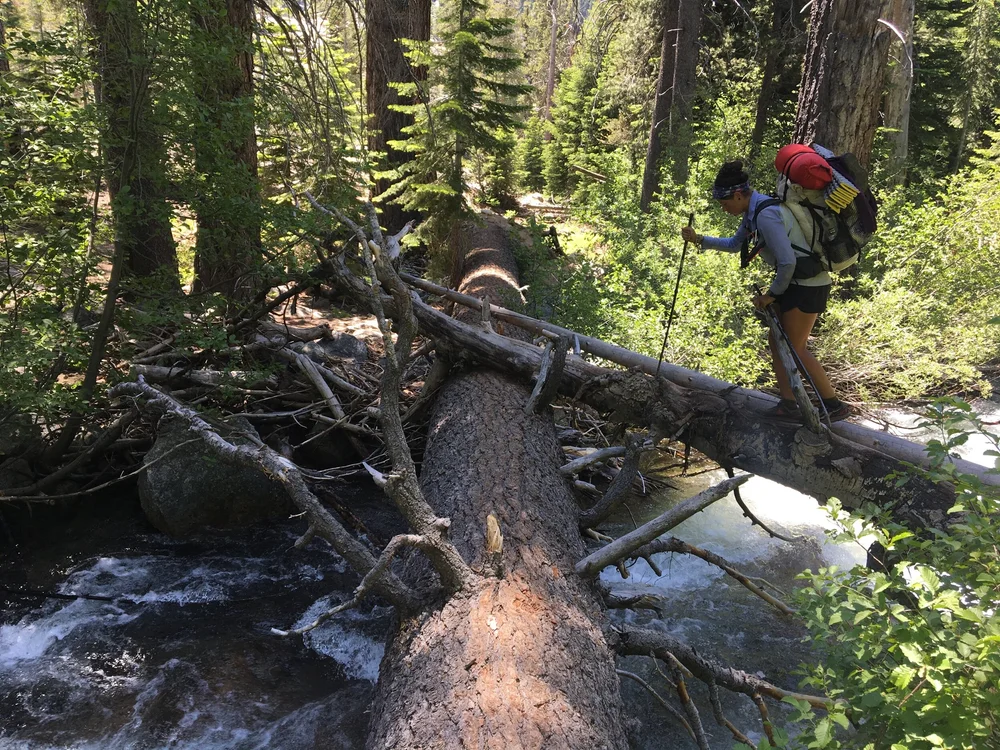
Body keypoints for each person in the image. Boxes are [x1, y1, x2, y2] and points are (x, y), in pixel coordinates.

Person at [681, 159, 849, 422]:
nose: (724, 209)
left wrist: (771, 294)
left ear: (738, 195)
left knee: (796, 347)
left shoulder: (766, 214)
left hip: (808, 285)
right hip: (795, 283)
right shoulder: (753, 211)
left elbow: (788, 261)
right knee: (777, 343)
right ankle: (789, 404)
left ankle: (834, 405)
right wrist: (699, 239)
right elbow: (736, 244)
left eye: (725, 204)